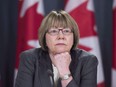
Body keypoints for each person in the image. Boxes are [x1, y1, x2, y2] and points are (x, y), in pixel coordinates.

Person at [15, 10, 98, 87]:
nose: (61, 36)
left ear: (74, 37)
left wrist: (65, 73)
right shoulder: (29, 58)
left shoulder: (87, 61)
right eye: (54, 31)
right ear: (44, 37)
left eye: (66, 31)